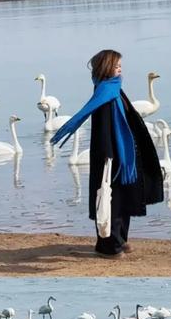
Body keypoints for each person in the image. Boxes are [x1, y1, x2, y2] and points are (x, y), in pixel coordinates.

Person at [51, 49, 163, 256]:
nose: (120, 68)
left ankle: (120, 240)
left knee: (124, 199)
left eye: (120, 64)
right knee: (111, 200)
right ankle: (109, 246)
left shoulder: (114, 89)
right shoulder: (105, 93)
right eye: (116, 65)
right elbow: (103, 127)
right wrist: (108, 155)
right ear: (105, 68)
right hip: (111, 156)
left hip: (124, 154)